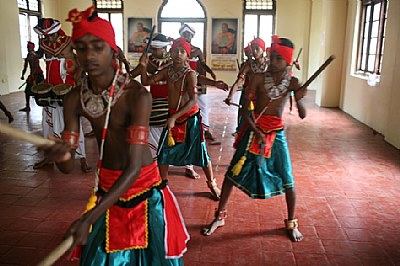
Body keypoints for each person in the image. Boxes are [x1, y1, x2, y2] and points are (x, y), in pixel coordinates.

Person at [41, 6, 189, 265]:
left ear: (113, 50)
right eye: (82, 48)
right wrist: (61, 155)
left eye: (97, 46)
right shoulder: (75, 98)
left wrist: (88, 218)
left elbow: (133, 168)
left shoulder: (137, 96)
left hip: (143, 188)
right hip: (107, 188)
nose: (89, 55)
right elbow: (67, 167)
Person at [203, 35, 306, 242]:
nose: (273, 61)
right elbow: (245, 112)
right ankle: (220, 216)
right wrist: (256, 131)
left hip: (276, 135)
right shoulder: (259, 78)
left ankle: (291, 222)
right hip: (253, 131)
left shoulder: (293, 82)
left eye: (278, 58)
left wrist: (300, 97)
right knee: (232, 173)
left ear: (287, 61)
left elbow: (302, 114)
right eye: (272, 56)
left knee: (288, 179)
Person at [139, 37, 221, 200]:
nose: (178, 54)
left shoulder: (189, 74)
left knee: (201, 152)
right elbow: (146, 81)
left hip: (190, 119)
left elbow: (193, 100)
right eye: (175, 50)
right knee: (163, 153)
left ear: (187, 56)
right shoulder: (167, 71)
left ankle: (212, 184)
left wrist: (174, 117)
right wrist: (142, 66)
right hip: (173, 119)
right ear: (170, 52)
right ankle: (163, 186)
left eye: (182, 51)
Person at [32, 18, 91, 172]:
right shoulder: (43, 44)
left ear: (57, 31)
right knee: (47, 123)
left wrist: (80, 72)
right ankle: (49, 157)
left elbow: (84, 56)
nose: (48, 39)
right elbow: (38, 54)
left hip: (68, 87)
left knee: (72, 124)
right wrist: (33, 56)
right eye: (46, 36)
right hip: (50, 86)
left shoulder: (70, 42)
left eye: (50, 35)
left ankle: (82, 158)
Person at [179, 24, 218, 142]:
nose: (187, 36)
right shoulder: (179, 51)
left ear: (192, 36)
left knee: (202, 104)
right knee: (184, 103)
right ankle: (185, 129)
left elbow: (203, 64)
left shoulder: (197, 50)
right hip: (182, 80)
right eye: (184, 34)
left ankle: (205, 130)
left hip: (197, 79)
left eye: (189, 34)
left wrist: (210, 72)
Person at [225, 38, 268, 135]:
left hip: (263, 97)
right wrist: (230, 96)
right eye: (253, 49)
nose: (254, 51)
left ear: (263, 50)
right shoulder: (248, 65)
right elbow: (238, 82)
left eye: (257, 49)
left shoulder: (269, 64)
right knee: (244, 116)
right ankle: (240, 131)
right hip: (249, 96)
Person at [19, 41, 44, 112]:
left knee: (38, 91)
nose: (27, 48)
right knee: (27, 91)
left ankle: (42, 103)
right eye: (27, 47)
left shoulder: (34, 55)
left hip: (38, 75)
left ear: (32, 48)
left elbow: (36, 67)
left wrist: (32, 75)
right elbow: (25, 66)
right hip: (33, 75)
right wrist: (23, 74)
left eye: (28, 47)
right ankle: (27, 106)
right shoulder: (28, 55)